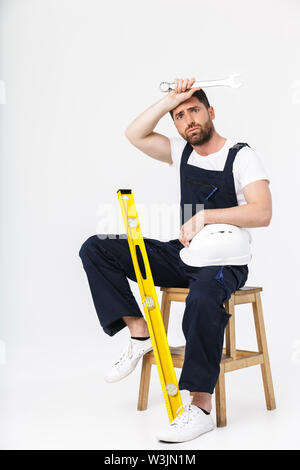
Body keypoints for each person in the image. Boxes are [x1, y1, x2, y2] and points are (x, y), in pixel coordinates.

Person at [79, 77, 272, 443]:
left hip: (224, 260)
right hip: (186, 253)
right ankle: (140, 335)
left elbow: (262, 212)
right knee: (96, 247)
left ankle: (199, 408)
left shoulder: (241, 155)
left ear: (211, 112)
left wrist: (207, 217)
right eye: (180, 116)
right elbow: (134, 134)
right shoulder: (180, 151)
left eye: (194, 110)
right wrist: (171, 98)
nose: (188, 121)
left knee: (202, 299)